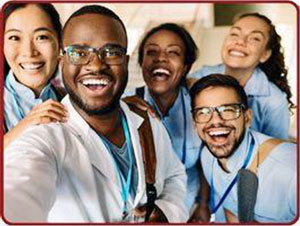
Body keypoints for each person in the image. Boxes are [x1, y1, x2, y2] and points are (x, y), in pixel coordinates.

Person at [4, 5, 188, 223]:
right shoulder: (44, 138)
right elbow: (18, 188)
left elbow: (175, 176)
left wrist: (165, 212)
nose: (96, 65)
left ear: (126, 62)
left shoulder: (145, 119)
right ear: (63, 62)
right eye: (79, 53)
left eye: (111, 52)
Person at [189, 73, 296, 223]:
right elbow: (232, 208)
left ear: (247, 118)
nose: (216, 121)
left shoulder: (290, 172)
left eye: (228, 110)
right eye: (203, 112)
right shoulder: (207, 157)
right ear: (195, 125)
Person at [132, 22, 209, 219]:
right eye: (151, 52)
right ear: (142, 62)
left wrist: (202, 205)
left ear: (185, 67)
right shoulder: (124, 104)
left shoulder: (199, 104)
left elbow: (207, 160)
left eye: (173, 52)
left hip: (187, 209)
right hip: (140, 213)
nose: (161, 59)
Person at [189, 12, 295, 140]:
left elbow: (276, 151)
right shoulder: (204, 74)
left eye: (254, 38)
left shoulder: (274, 101)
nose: (240, 41)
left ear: (265, 54)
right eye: (235, 34)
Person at [3, 3, 68, 149]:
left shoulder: (69, 102)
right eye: (14, 37)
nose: (29, 52)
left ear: (59, 45)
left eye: (42, 37)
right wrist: (21, 129)